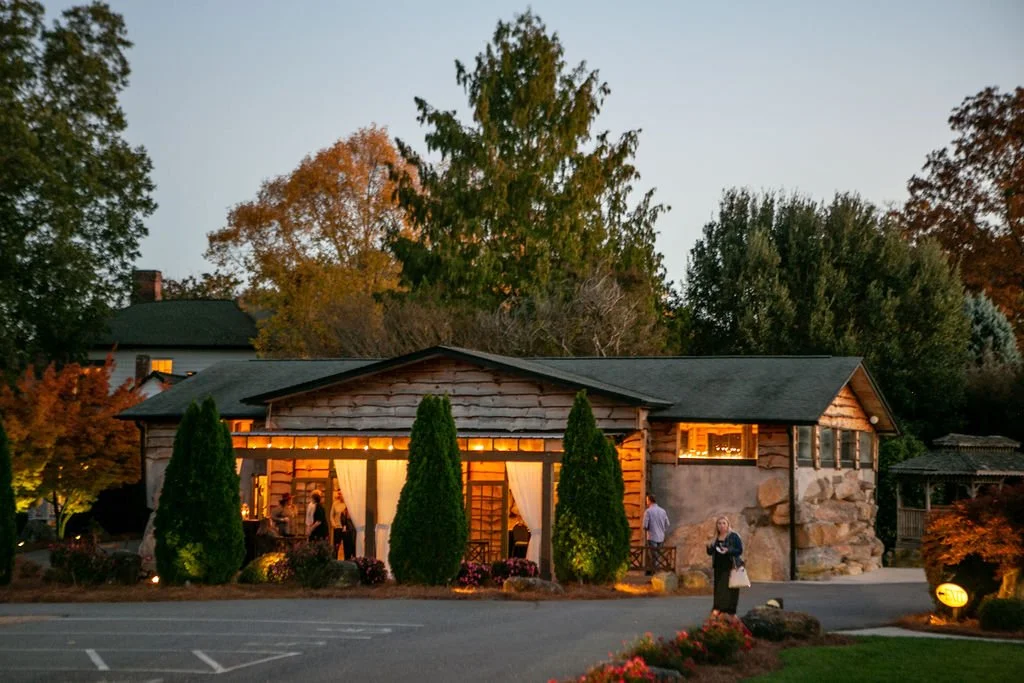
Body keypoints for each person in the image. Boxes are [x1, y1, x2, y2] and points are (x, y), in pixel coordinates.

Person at [706, 516, 744, 615]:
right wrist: (708, 546)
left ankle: (729, 611)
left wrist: (728, 550)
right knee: (719, 589)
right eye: (719, 523)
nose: (721, 525)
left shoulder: (734, 536)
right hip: (718, 566)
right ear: (716, 526)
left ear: (728, 524)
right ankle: (718, 609)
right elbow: (710, 552)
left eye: (724, 523)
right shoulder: (715, 537)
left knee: (729, 588)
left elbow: (739, 550)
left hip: (730, 565)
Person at [642, 494, 670, 575]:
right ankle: (655, 573)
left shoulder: (648, 511)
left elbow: (644, 526)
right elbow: (667, 523)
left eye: (647, 500)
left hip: (652, 536)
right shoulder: (663, 511)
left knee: (653, 556)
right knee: (657, 556)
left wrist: (649, 529)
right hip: (661, 537)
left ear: (649, 501)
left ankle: (654, 574)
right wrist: (662, 529)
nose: (646, 502)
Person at [330, 490, 351, 559]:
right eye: (340, 494)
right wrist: (334, 525)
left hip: (346, 528)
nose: (340, 495)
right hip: (338, 527)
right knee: (336, 545)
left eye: (342, 494)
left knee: (347, 545)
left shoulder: (348, 504)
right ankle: (334, 559)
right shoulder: (335, 504)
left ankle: (347, 560)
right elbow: (331, 515)